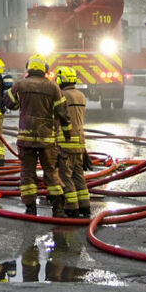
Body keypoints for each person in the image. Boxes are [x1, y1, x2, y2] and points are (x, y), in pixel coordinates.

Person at [12, 55, 66, 216]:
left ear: (29, 68)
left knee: (27, 173)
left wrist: (11, 89)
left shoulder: (20, 84)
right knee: (51, 172)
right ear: (45, 69)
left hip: (26, 138)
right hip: (47, 139)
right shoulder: (53, 87)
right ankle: (58, 208)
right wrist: (68, 134)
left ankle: (30, 208)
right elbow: (62, 112)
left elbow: (11, 104)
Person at [55, 65, 90, 218]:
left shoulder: (62, 96)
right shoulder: (81, 95)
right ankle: (85, 206)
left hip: (66, 141)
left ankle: (71, 207)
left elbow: (57, 118)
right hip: (80, 142)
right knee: (78, 175)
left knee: (65, 176)